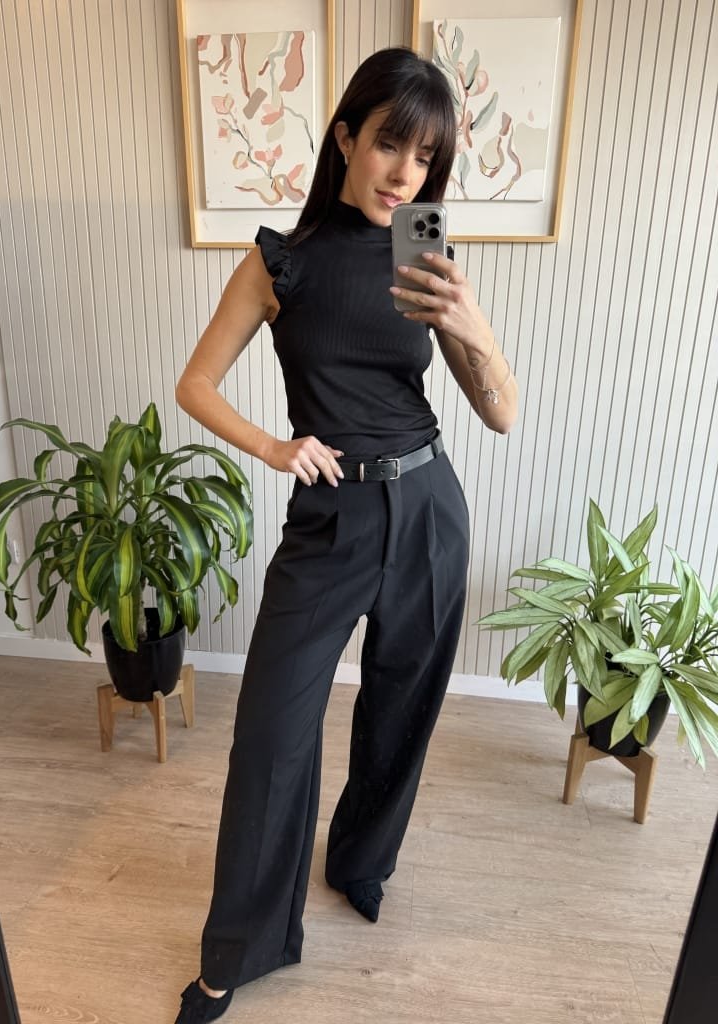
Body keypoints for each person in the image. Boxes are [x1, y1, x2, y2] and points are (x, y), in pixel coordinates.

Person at [173, 45, 518, 1023]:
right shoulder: (278, 260)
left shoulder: (425, 259)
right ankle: (237, 950)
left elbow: (500, 412)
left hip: (429, 507)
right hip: (329, 520)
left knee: (401, 709)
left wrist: (472, 324)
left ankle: (362, 861)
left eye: (425, 158)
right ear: (344, 139)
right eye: (388, 145)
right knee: (271, 735)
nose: (404, 173)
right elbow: (195, 383)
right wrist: (277, 447)